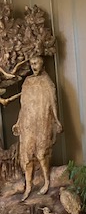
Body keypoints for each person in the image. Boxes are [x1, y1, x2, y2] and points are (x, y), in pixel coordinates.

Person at [10, 55, 63, 200]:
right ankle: (28, 186)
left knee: (41, 154)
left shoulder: (47, 82)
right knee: (27, 156)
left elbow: (53, 102)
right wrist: (18, 122)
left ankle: (46, 181)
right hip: (28, 123)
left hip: (42, 122)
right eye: (32, 63)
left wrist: (56, 120)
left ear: (42, 64)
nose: (34, 66)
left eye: (36, 63)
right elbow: (23, 105)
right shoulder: (27, 82)